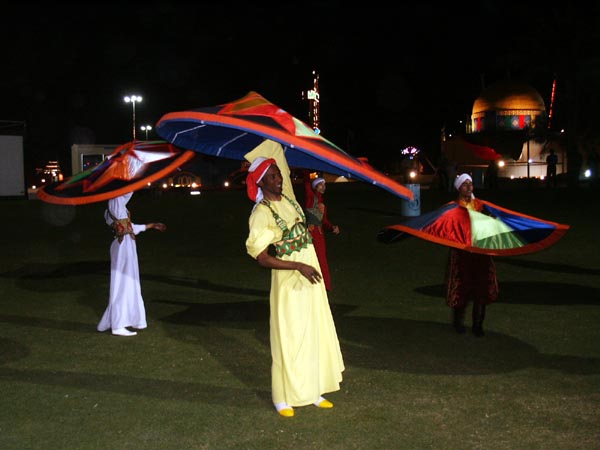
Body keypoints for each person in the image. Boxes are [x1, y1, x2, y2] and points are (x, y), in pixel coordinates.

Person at [244, 140, 345, 418]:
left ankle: (312, 390)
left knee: (313, 329)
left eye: (279, 175)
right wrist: (297, 266)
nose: (279, 180)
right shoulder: (262, 213)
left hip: (310, 272)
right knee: (289, 336)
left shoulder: (287, 199)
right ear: (262, 182)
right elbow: (261, 256)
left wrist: (317, 217)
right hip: (290, 278)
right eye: (273, 176)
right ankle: (283, 396)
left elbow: (302, 227)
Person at [97, 192, 166, 337]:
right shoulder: (115, 204)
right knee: (123, 284)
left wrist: (151, 225)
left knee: (126, 283)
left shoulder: (119, 208)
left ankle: (109, 321)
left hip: (126, 245)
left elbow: (131, 227)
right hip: (123, 246)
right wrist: (133, 178)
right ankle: (118, 325)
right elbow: (125, 192)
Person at [446, 173, 499, 337]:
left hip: (480, 252)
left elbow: (491, 224)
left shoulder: (481, 206)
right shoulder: (453, 207)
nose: (469, 187)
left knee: (481, 288)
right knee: (462, 287)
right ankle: (458, 322)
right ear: (459, 188)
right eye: (465, 184)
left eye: (470, 183)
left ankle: (478, 325)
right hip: (462, 253)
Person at [303, 170, 340, 291]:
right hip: (311, 234)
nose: (324, 187)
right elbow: (307, 182)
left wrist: (332, 227)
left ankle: (324, 286)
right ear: (315, 186)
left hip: (319, 234)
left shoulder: (322, 204)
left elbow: (324, 221)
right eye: (321, 185)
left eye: (324, 185)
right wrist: (306, 167)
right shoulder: (311, 198)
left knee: (322, 259)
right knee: (310, 258)